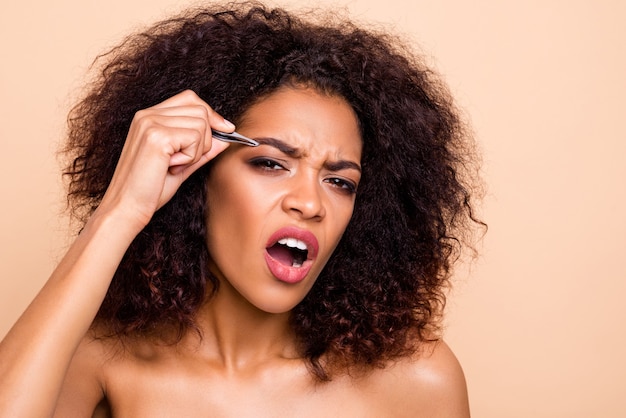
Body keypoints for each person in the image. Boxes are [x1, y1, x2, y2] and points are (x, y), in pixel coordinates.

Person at [0, 3, 482, 416]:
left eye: (339, 181)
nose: (310, 203)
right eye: (271, 163)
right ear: (199, 176)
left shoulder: (419, 382)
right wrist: (121, 210)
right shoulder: (104, 362)